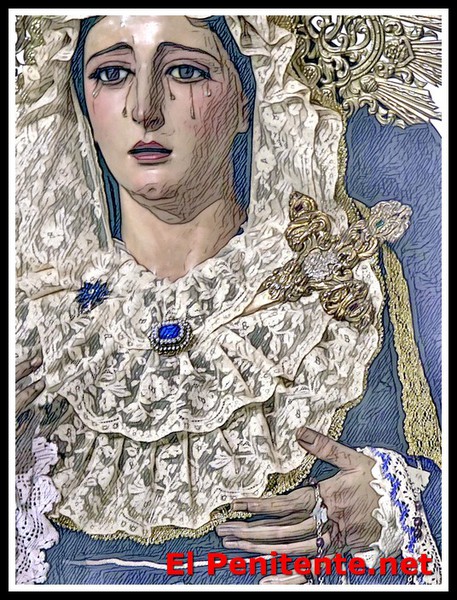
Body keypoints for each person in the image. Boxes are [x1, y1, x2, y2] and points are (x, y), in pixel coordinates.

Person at [15, 14, 442, 586]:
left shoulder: (348, 287)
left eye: (185, 71)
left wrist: (394, 509)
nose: (144, 109)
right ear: (83, 112)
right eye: (112, 74)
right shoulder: (32, 315)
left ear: (246, 99)